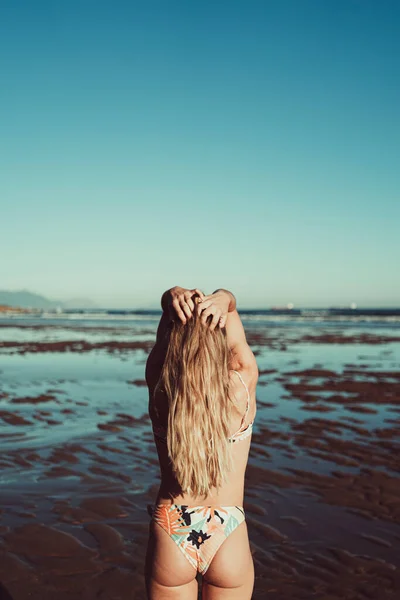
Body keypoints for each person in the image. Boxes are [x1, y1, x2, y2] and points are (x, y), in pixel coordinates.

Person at [145, 286, 258, 599]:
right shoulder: (241, 388)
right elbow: (237, 342)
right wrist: (226, 299)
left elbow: (160, 342)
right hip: (228, 528)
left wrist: (171, 299)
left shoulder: (161, 392)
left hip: (173, 525)